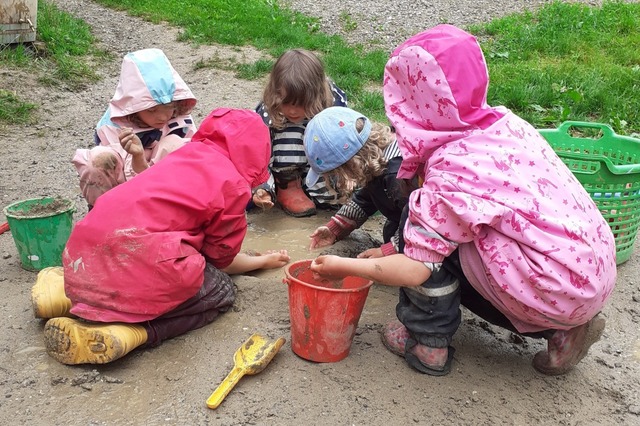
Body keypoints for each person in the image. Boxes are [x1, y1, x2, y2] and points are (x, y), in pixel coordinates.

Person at [309, 24, 617, 376]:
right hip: (588, 271)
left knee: (425, 240)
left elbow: (414, 268)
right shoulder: (506, 124)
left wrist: (344, 266)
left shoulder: (449, 174)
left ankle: (427, 344)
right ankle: (564, 332)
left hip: (550, 287)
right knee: (453, 235)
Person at [32, 108, 290, 365]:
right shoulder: (233, 185)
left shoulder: (184, 154)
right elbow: (221, 261)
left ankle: (62, 296)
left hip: (82, 255)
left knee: (132, 262)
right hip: (136, 259)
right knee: (220, 291)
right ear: (257, 156)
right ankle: (133, 333)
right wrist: (261, 262)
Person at [72, 48, 198, 208]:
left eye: (169, 106)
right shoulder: (113, 125)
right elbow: (130, 180)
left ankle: (178, 213)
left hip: (166, 196)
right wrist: (137, 157)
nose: (162, 117)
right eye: (151, 109)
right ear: (134, 106)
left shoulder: (180, 119)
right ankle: (102, 212)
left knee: (176, 145)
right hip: (124, 192)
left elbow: (195, 166)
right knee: (97, 161)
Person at [304, 106, 410, 258]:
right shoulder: (380, 159)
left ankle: (442, 279)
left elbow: (422, 223)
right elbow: (366, 199)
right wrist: (335, 228)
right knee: (391, 230)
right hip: (411, 217)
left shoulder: (398, 176)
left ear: (350, 164)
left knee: (399, 238)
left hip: (438, 231)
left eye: (335, 174)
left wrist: (388, 250)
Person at [254, 49, 348, 217]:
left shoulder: (332, 103)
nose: (292, 110)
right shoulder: (269, 111)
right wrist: (263, 186)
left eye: (301, 103)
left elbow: (345, 141)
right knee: (286, 127)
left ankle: (317, 185)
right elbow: (258, 155)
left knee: (336, 196)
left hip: (319, 165)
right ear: (276, 94)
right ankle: (288, 185)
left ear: (316, 95)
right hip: (284, 165)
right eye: (286, 103)